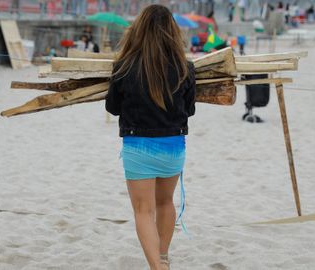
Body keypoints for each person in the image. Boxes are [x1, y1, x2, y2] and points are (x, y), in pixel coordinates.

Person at [105, 5, 196, 270]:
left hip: (138, 147)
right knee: (165, 202)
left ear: (139, 30)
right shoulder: (185, 68)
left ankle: (157, 266)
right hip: (173, 147)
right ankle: (163, 257)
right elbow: (189, 109)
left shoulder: (123, 66)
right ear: (172, 32)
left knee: (144, 211)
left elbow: (112, 107)